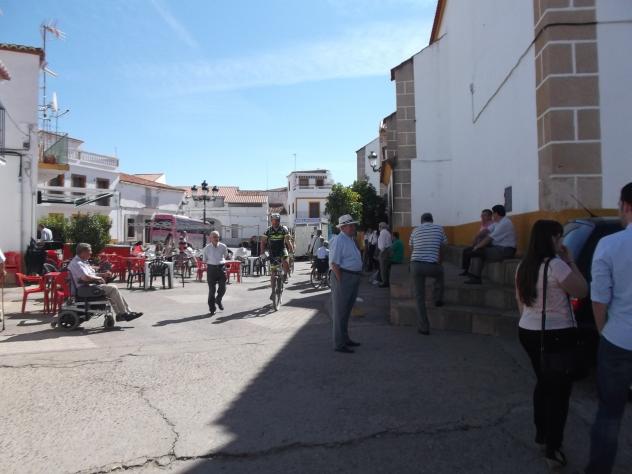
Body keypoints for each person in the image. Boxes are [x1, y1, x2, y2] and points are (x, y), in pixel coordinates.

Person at [515, 220, 587, 469]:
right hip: (555, 334)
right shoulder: (556, 265)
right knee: (559, 393)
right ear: (550, 239)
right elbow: (582, 290)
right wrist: (571, 261)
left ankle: (541, 433)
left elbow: (520, 302)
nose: (562, 242)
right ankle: (553, 449)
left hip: (528, 330)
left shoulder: (523, 266)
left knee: (544, 382)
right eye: (559, 237)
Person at [586, 182, 632, 474]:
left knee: (610, 414)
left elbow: (599, 299)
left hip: (618, 340)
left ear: (626, 206)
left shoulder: (610, 244)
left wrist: (603, 332)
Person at [68, 243, 143, 322]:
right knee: (113, 288)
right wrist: (99, 278)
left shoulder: (82, 262)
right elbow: (85, 278)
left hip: (87, 287)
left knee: (112, 289)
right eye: (89, 251)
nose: (91, 253)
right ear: (83, 252)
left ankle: (123, 313)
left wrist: (103, 274)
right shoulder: (77, 263)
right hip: (82, 289)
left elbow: (90, 275)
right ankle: (123, 313)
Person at [409, 213, 448, 335]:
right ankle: (438, 299)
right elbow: (443, 246)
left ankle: (424, 327)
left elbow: (411, 248)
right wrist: (440, 261)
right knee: (440, 274)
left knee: (419, 297)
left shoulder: (415, 230)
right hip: (432, 265)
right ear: (432, 220)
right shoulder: (439, 228)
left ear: (422, 221)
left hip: (416, 265)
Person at [330, 214, 363, 354]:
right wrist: (341, 282)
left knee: (346, 311)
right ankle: (339, 343)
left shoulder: (349, 239)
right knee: (340, 312)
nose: (353, 227)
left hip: (351, 277)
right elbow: (334, 264)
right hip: (344, 278)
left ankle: (345, 338)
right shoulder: (339, 240)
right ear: (342, 227)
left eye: (353, 225)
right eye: (351, 226)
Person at [465, 204, 516, 284]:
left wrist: (477, 246)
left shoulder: (505, 223)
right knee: (473, 251)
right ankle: (474, 275)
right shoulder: (497, 222)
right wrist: (477, 236)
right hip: (498, 248)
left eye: (493, 213)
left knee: (477, 251)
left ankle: (476, 278)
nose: (492, 215)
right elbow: (486, 231)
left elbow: (489, 238)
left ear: (497, 213)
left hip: (506, 250)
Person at [260, 213, 293, 289]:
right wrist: (262, 253)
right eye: (273, 220)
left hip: (282, 249)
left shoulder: (283, 229)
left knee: (285, 260)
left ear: (279, 221)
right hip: (272, 251)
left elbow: (288, 241)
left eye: (277, 220)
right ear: (271, 221)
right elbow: (263, 242)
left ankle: (285, 275)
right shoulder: (268, 230)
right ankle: (273, 291)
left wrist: (291, 251)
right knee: (273, 272)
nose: (275, 222)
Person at [201, 230, 228, 316]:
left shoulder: (223, 246)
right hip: (211, 269)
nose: (216, 238)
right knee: (212, 290)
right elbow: (204, 260)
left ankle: (218, 299)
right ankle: (212, 309)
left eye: (218, 237)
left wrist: (220, 262)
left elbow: (225, 255)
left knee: (223, 288)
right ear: (210, 238)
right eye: (214, 237)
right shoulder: (207, 248)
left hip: (221, 268)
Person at [460, 209, 493, 276]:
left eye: (484, 215)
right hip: (480, 244)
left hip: (487, 245)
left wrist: (476, 241)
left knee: (471, 252)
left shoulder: (491, 224)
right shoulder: (483, 224)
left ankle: (474, 274)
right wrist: (474, 243)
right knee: (465, 251)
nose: (482, 217)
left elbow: (482, 235)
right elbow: (478, 236)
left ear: (489, 216)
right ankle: (466, 270)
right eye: (482, 215)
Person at [377, 222, 392, 288]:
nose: (378, 228)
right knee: (385, 267)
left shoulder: (383, 233)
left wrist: (381, 252)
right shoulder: (387, 232)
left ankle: (384, 282)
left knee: (383, 267)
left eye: (379, 226)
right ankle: (386, 281)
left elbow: (382, 245)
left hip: (384, 251)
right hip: (387, 250)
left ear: (381, 226)